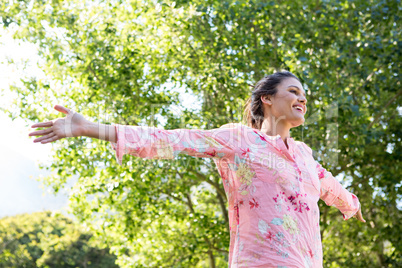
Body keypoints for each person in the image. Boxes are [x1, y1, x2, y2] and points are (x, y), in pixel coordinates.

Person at [29, 71, 365, 268]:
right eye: (293, 91)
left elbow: (337, 192)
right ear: (267, 98)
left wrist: (354, 206)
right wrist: (89, 127)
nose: (302, 98)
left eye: (304, 94)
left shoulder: (306, 157)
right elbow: (169, 140)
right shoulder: (239, 140)